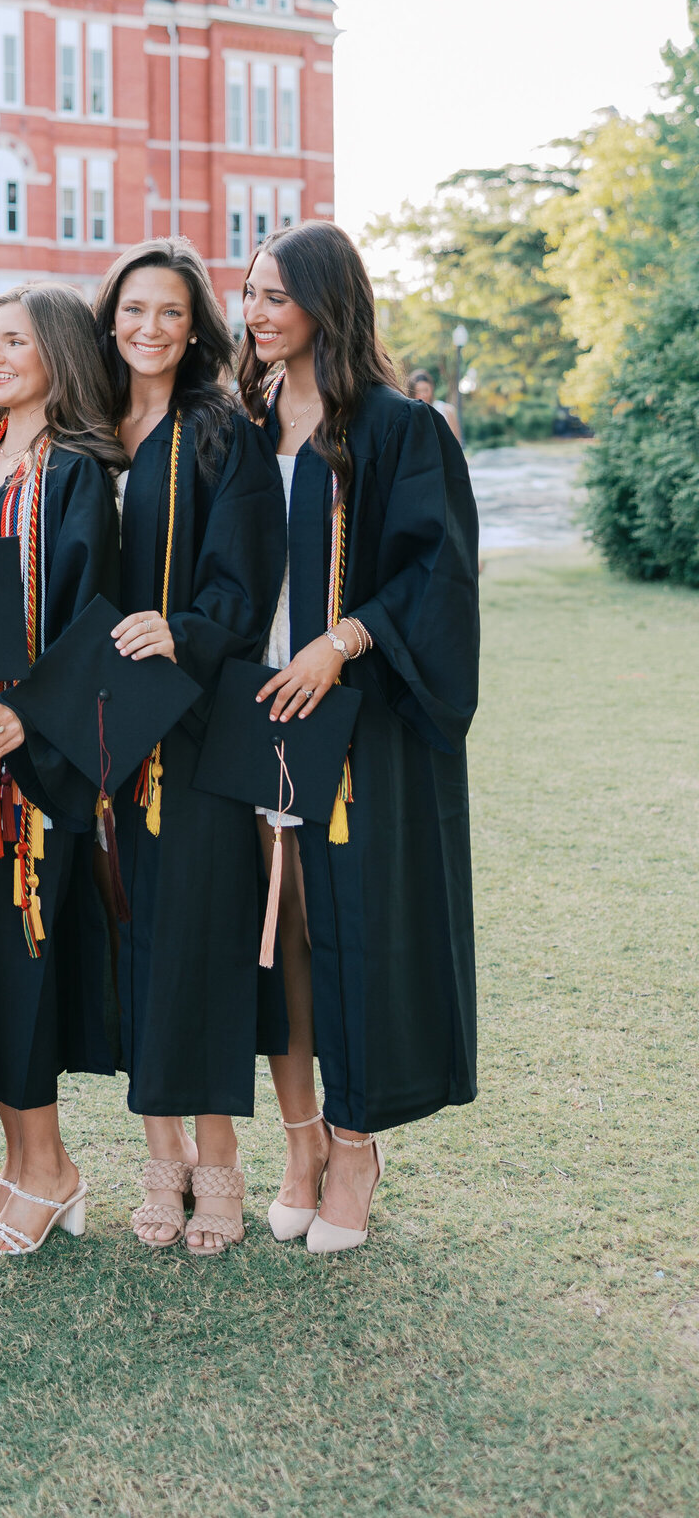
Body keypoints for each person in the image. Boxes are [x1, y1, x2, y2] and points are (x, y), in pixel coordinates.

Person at [240, 221, 479, 1253]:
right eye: (249, 294)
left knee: (353, 929)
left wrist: (341, 641)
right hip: (254, 714)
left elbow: (435, 571)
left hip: (354, 719)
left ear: (326, 303)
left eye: (276, 296)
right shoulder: (244, 425)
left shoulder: (396, 427)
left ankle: (354, 1147)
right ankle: (299, 1147)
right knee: (278, 935)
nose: (256, 313)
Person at [95, 241, 286, 1255]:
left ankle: (218, 1158)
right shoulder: (86, 428)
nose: (151, 328)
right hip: (97, 724)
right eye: (134, 309)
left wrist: (181, 630)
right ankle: (158, 1152)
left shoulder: (222, 433)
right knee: (129, 935)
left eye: (171, 311)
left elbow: (244, 582)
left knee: (202, 937)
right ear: (109, 317)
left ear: (195, 325)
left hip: (195, 722)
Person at [0, 282, 124, 1257]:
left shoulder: (77, 473)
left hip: (26, 756)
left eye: (16, 339)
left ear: (59, 353)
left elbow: (95, 619)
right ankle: (22, 1163)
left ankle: (47, 1167)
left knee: (24, 955)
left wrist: (27, 711)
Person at [407, 368, 461, 443]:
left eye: (425, 390)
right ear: (412, 393)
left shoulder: (446, 410)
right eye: (418, 391)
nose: (423, 395)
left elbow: (456, 441)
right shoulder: (409, 414)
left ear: (431, 389)